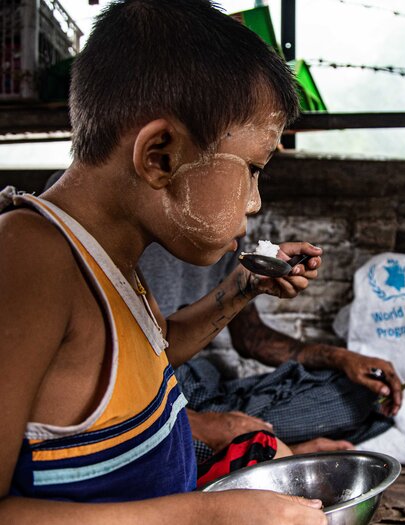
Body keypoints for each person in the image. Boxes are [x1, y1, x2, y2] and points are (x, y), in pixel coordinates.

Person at [0, 1, 327, 522]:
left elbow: (153, 353)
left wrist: (245, 287)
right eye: (252, 169)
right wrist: (201, 516)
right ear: (160, 156)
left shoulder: (113, 257)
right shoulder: (32, 257)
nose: (254, 202)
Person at [139, 243, 403, 462]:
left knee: (362, 394)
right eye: (250, 177)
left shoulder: (227, 242)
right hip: (150, 397)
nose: (253, 204)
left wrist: (342, 358)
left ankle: (254, 448)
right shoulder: (123, 252)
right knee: (157, 445)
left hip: (209, 387)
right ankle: (269, 452)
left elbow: (251, 337)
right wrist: (203, 426)